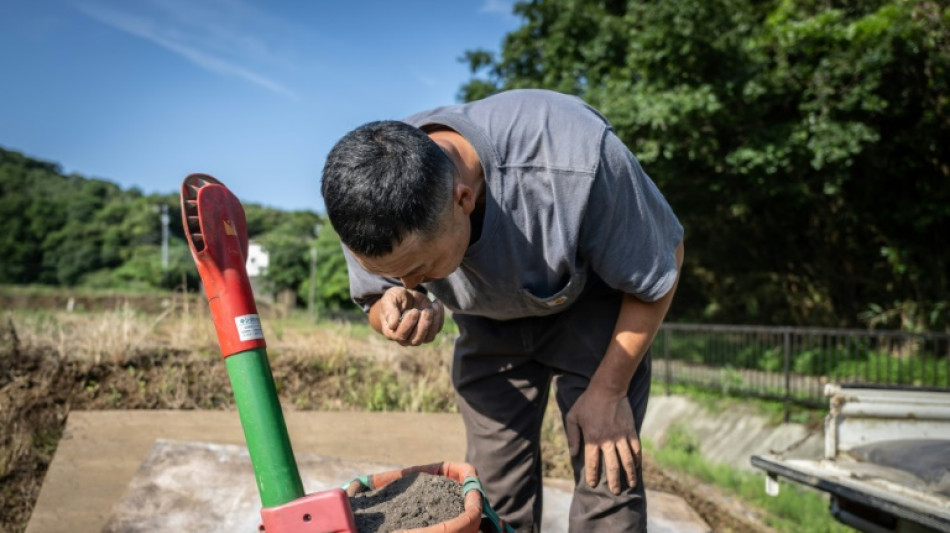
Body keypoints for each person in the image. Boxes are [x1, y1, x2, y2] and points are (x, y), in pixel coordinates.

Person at [321, 89, 684, 533]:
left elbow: (660, 266)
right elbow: (377, 297)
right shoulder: (365, 195)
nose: (412, 284)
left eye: (418, 268)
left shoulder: (572, 157)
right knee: (491, 496)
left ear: (463, 200)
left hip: (591, 305)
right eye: (394, 274)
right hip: (486, 324)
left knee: (606, 476)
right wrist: (390, 310)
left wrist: (610, 391)